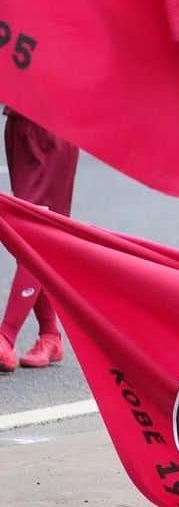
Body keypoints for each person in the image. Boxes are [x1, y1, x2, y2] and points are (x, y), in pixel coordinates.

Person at [0, 113, 78, 372]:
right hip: (18, 124)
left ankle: (6, 337)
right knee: (27, 232)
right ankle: (50, 335)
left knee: (34, 235)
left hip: (52, 125)